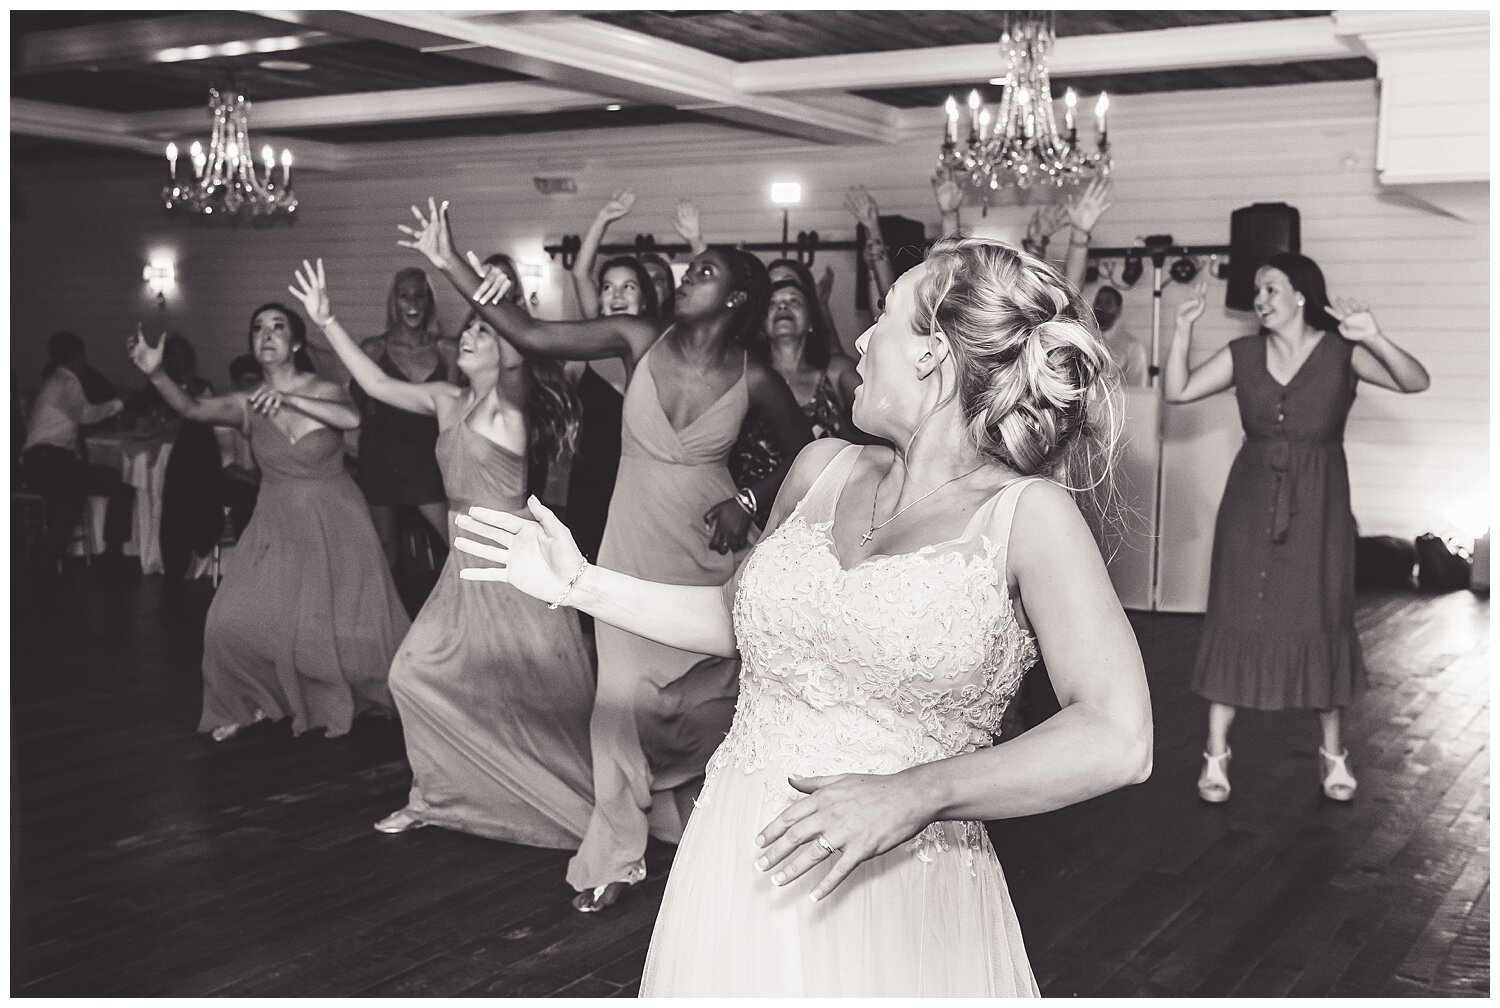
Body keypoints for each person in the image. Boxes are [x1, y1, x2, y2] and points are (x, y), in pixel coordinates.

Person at [452, 236, 1153, 995]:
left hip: (898, 881)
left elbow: (1118, 736)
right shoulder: (823, 467)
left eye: (881, 317)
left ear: (932, 356)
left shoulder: (1028, 514)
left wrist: (918, 792)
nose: (858, 337)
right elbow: (737, 620)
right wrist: (581, 583)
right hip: (737, 851)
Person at [401, 197, 812, 912]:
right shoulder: (639, 336)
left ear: (735, 297)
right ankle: (617, 854)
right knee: (615, 705)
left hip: (704, 552)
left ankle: (690, 807)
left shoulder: (755, 379)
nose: (687, 276)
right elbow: (527, 330)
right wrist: (450, 262)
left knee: (709, 700)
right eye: (690, 267)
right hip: (626, 548)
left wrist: (747, 499)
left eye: (705, 271)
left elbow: (806, 453)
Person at [289, 258, 597, 847]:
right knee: (412, 673)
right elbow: (377, 386)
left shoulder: (510, 405)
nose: (471, 337)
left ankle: (570, 801)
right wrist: (327, 322)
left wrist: (483, 290)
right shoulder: (443, 399)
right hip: (462, 562)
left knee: (533, 691)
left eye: (484, 331)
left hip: (510, 558)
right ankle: (436, 794)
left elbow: (516, 346)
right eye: (469, 331)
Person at [1165, 253, 1429, 804]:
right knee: (1236, 610)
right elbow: (1179, 390)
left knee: (1320, 613)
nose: (1260, 299)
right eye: (1257, 290)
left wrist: (1375, 336)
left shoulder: (1342, 353)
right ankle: (1216, 753)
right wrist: (1182, 331)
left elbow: (1415, 381)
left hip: (1320, 505)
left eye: (1271, 288)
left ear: (1302, 294)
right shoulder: (1243, 354)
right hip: (1249, 499)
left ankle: (1333, 754)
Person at [127, 303, 409, 741]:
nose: (266, 335)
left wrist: (289, 397)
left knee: (344, 627)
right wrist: (156, 373)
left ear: (295, 342)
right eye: (257, 328)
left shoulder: (327, 390)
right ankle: (252, 702)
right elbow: (193, 410)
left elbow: (351, 419)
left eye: (278, 327)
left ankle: (349, 696)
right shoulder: (246, 403)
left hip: (337, 518)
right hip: (277, 521)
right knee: (228, 621)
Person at [317, 267, 455, 570]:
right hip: (382, 456)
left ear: (430, 300)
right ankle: (387, 617)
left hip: (429, 459)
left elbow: (456, 413)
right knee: (384, 550)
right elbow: (355, 411)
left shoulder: (447, 350)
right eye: (404, 296)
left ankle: (465, 613)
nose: (413, 304)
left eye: (420, 295)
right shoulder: (374, 348)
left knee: (455, 543)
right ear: (393, 302)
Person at [730, 274, 866, 522]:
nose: (783, 307)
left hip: (833, 514)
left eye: (794, 301)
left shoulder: (836, 371)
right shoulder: (746, 377)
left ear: (811, 321)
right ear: (762, 324)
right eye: (773, 304)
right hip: (757, 518)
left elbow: (881, 419)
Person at [567, 254, 660, 564]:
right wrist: (604, 217)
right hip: (590, 489)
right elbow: (580, 272)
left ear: (645, 299)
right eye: (607, 287)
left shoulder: (663, 352)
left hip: (643, 487)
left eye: (628, 286)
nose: (617, 295)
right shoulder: (583, 355)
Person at [20, 331, 131, 571]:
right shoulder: (66, 382)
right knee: (103, 489)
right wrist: (118, 403)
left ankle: (50, 554)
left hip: (41, 461)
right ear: (77, 355)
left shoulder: (54, 380)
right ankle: (109, 553)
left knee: (95, 486)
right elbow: (86, 415)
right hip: (48, 460)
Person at [154, 334, 225, 585]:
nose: (179, 359)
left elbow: (212, 413)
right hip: (165, 455)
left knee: (197, 432)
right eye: (174, 354)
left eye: (183, 354)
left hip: (194, 462)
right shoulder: (155, 386)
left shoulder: (201, 386)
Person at [221, 355, 263, 537]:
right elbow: (227, 468)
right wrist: (262, 484)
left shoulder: (268, 408)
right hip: (234, 481)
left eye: (260, 382)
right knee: (246, 496)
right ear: (235, 385)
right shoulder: (223, 417)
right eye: (249, 382)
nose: (256, 389)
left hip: (266, 479)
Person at [1091, 286, 1149, 388]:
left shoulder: (1132, 347)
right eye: (1098, 302)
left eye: (1107, 304)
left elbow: (1138, 389)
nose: (1100, 307)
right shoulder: (1086, 341)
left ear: (1118, 310)